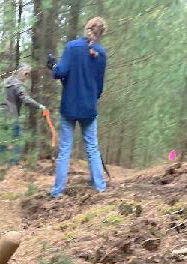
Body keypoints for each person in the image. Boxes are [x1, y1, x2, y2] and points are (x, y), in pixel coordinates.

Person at [47, 16, 108, 198]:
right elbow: (99, 87)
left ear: (87, 27)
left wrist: (52, 65)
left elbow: (60, 73)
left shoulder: (72, 47)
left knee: (65, 149)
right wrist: (91, 98)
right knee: (92, 147)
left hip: (69, 107)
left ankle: (57, 191)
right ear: (100, 33)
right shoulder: (101, 54)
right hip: (89, 108)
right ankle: (99, 187)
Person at [0, 64, 46, 165]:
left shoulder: (6, 82)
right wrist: (40, 106)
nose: (26, 76)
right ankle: (13, 164)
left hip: (1, 114)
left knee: (2, 139)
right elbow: (25, 99)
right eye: (26, 74)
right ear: (22, 72)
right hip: (12, 115)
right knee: (15, 139)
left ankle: (1, 163)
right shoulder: (17, 85)